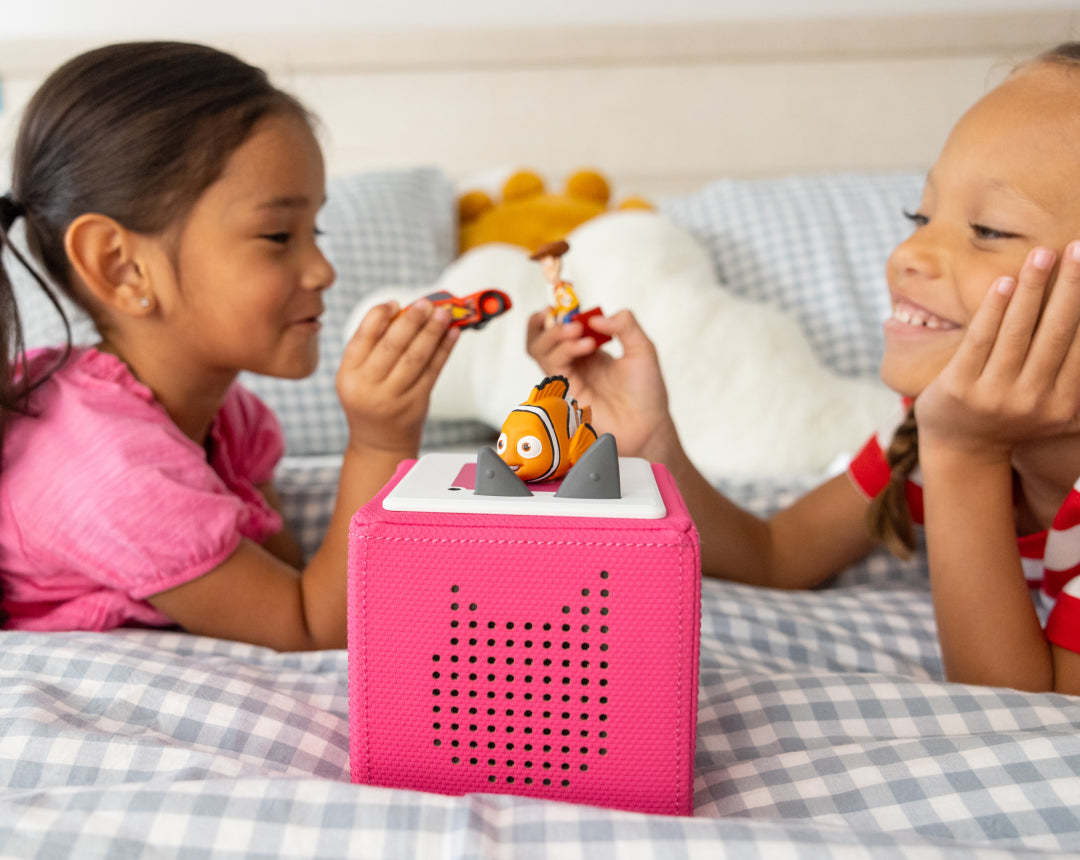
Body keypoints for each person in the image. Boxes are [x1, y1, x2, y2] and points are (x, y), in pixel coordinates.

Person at [526, 43, 1080, 695]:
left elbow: (1031, 720)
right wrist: (653, 443)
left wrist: (965, 454)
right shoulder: (929, 430)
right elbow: (777, 554)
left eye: (988, 229)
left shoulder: (955, 438)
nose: (908, 252)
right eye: (921, 216)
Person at [0, 42, 459, 650]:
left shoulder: (232, 420)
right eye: (277, 235)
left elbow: (294, 584)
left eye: (313, 230)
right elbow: (312, 629)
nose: (322, 269)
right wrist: (380, 440)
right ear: (121, 266)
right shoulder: (113, 470)